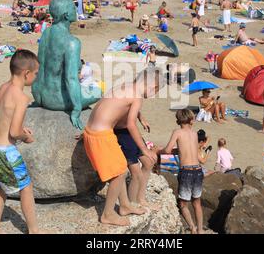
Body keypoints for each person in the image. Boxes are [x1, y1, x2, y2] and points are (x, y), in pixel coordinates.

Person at [83, 68, 165, 226]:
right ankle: (107, 214)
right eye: (156, 91)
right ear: (153, 86)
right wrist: (145, 149)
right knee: (120, 173)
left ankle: (125, 205)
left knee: (119, 168)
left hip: (92, 130)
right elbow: (130, 124)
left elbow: (104, 104)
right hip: (101, 136)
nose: (154, 94)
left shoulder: (123, 87)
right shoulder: (137, 97)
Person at [0, 49, 44, 234]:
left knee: (1, 188)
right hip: (5, 152)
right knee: (26, 188)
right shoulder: (21, 97)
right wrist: (26, 136)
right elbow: (15, 131)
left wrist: (16, 130)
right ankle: (34, 230)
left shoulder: (2, 88)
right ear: (27, 73)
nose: (36, 77)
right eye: (36, 74)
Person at [157, 109, 204, 234]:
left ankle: (192, 228)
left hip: (186, 171)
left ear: (178, 121)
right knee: (197, 202)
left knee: (183, 204)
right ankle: (201, 230)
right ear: (191, 120)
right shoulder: (194, 134)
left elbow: (167, 150)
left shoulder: (177, 132)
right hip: (198, 170)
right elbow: (190, 150)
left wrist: (158, 151)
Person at [114, 110, 154, 208]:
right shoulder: (118, 96)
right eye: (155, 93)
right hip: (122, 133)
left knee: (149, 162)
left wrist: (141, 117)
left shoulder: (135, 96)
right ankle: (132, 204)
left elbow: (132, 107)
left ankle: (140, 198)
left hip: (132, 131)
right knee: (136, 173)